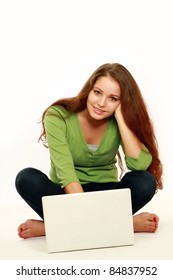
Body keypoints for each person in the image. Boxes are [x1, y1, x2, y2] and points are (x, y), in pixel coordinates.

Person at [15, 63, 163, 239]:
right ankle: (126, 224)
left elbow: (139, 164)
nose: (101, 103)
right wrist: (86, 210)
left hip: (106, 194)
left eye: (113, 98)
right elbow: (65, 171)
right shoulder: (57, 116)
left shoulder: (117, 120)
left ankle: (50, 227)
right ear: (89, 90)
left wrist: (122, 118)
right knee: (26, 178)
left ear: (122, 102)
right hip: (66, 193)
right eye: (97, 92)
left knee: (145, 181)